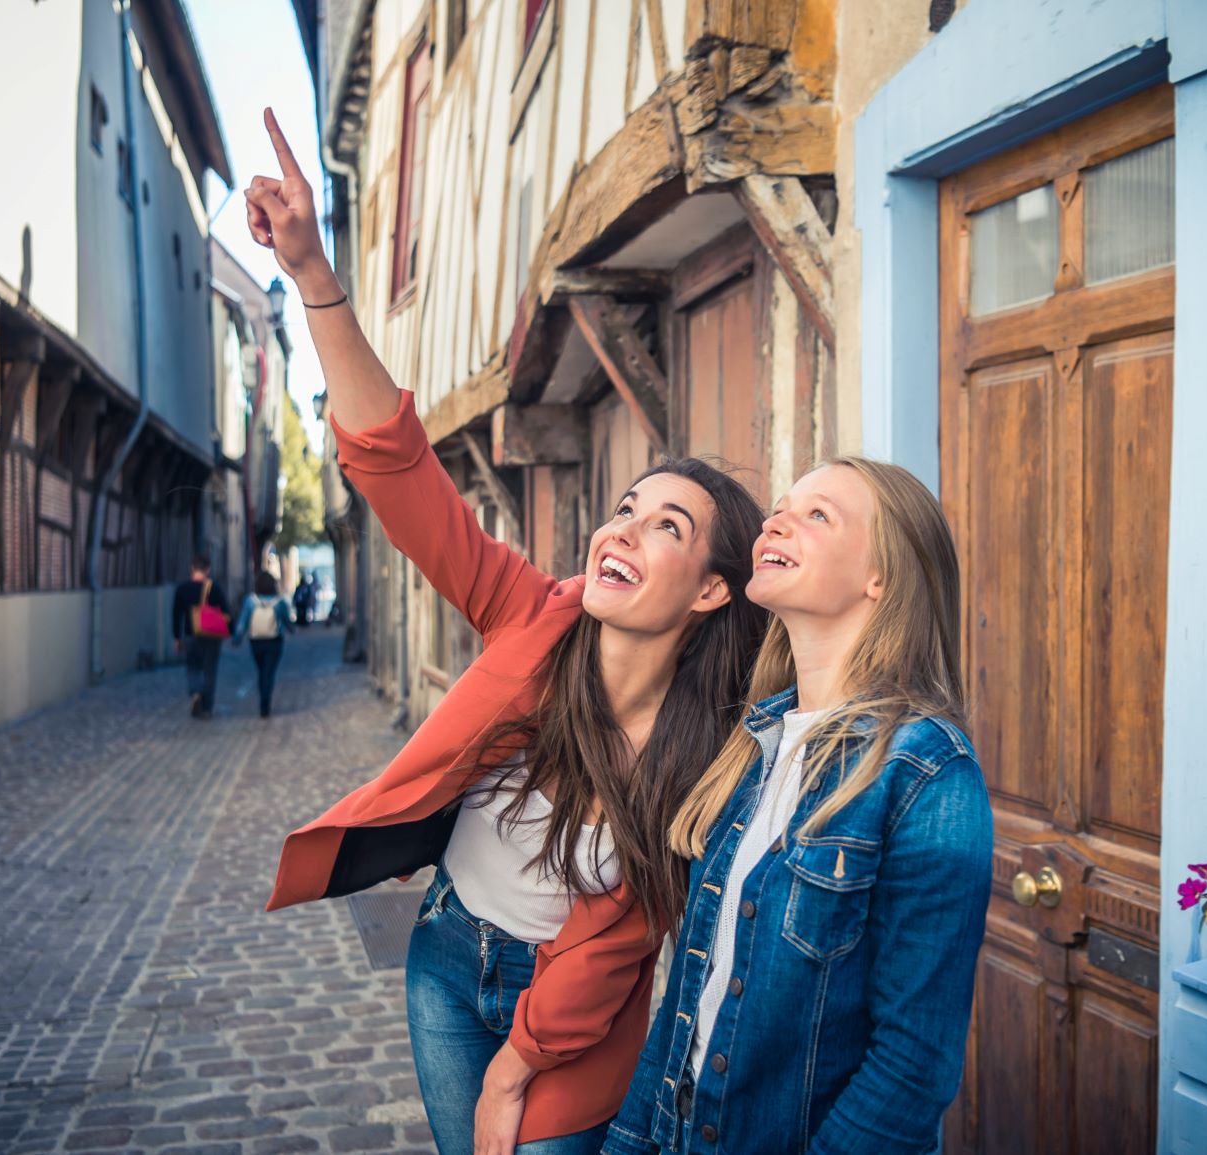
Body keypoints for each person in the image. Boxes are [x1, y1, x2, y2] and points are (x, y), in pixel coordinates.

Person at [247, 108, 768, 1155]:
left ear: (712, 591)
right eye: (626, 505)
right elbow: (399, 472)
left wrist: (519, 1069)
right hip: (444, 959)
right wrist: (314, 276)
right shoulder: (536, 615)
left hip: (567, 1021)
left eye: (670, 526)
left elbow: (618, 945)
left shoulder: (712, 746)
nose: (624, 526)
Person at [602, 459, 994, 1155]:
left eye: (818, 514)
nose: (775, 519)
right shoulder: (751, 746)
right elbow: (689, 1000)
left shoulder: (927, 770)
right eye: (782, 505)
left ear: (881, 576)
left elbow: (911, 1068)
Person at [171, 555, 228, 719]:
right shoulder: (214, 588)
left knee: (192, 667)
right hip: (211, 636)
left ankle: (196, 692)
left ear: (192, 568)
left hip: (190, 634)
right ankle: (207, 707)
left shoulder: (182, 588)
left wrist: (177, 637)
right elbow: (225, 611)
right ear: (208, 569)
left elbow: (176, 614)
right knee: (210, 670)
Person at [233, 570, 294, 718]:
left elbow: (243, 622)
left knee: (261, 671)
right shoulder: (279, 602)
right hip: (274, 641)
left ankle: (263, 701)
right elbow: (286, 620)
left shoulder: (250, 601)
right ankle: (265, 702)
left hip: (256, 641)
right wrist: (291, 629)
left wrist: (237, 638)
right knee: (269, 672)